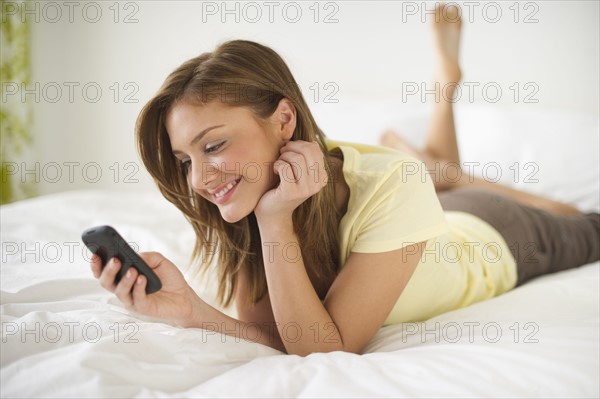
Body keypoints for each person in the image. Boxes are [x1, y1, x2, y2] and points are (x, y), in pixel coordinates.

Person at [90, 4, 599, 356]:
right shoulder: (248, 202)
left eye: (214, 145)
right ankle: (444, 160)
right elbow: (285, 338)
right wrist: (190, 311)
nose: (200, 179)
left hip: (493, 238)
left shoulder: (391, 181)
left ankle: (446, 142)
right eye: (184, 160)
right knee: (436, 181)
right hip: (425, 215)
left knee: (585, 222)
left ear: (284, 120)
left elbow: (325, 350)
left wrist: (276, 223)